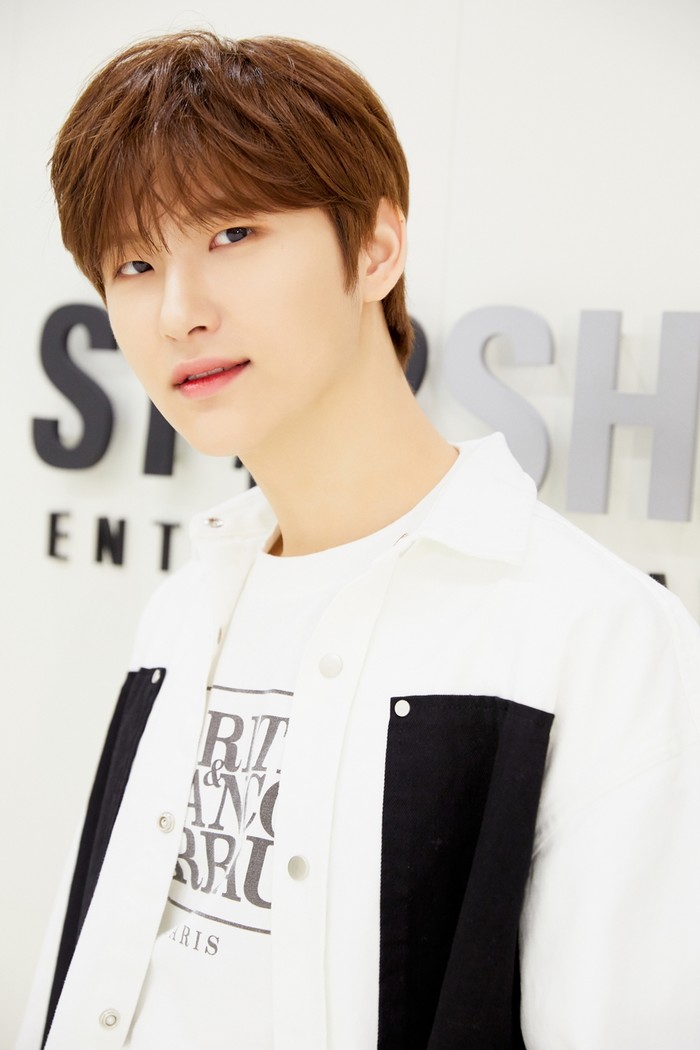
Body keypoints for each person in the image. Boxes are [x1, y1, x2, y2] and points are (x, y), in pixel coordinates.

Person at [18, 29, 700, 1050]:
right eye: (136, 262)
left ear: (376, 248)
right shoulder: (184, 609)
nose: (179, 312)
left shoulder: (594, 638)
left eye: (233, 233)